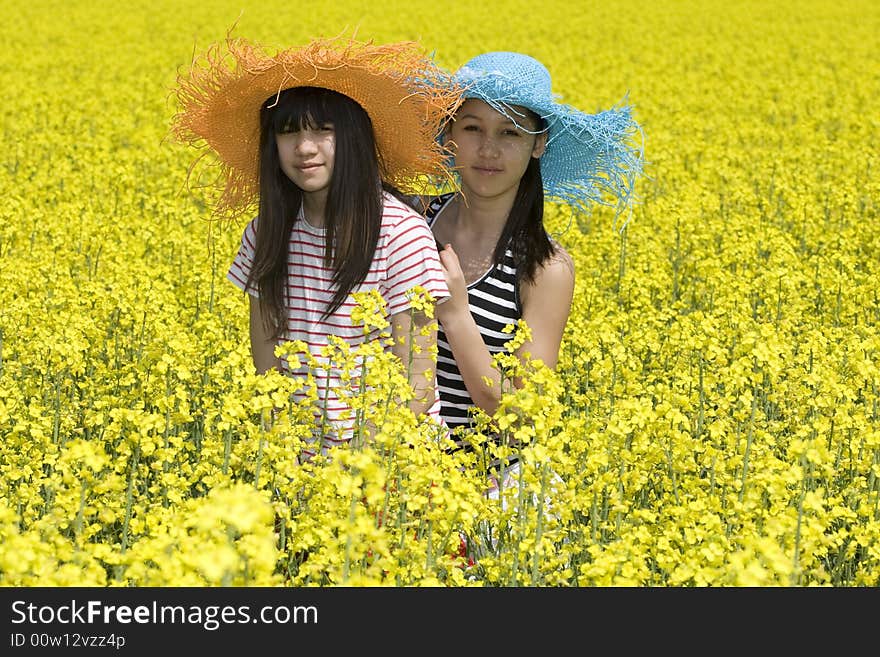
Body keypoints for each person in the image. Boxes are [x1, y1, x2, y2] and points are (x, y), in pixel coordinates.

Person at [171, 36, 461, 457]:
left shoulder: (402, 234)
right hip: (300, 463)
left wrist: (357, 471)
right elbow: (267, 361)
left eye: (323, 130)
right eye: (288, 132)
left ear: (355, 137)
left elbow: (415, 385)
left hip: (393, 461)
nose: (304, 148)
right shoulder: (265, 233)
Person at [424, 51, 644, 476]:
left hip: (487, 489)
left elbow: (521, 416)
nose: (488, 149)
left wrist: (455, 314)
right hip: (397, 478)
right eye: (472, 128)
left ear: (538, 144)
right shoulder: (415, 222)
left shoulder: (545, 270)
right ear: (449, 133)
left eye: (510, 133)